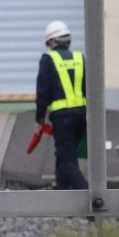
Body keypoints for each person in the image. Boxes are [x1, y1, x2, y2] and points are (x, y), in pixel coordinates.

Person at [35, 20, 88, 191]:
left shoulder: (48, 60)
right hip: (81, 116)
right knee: (65, 155)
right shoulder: (80, 58)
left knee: (67, 160)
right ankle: (61, 193)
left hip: (62, 117)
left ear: (52, 42)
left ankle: (92, 201)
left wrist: (39, 119)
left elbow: (43, 93)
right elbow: (87, 88)